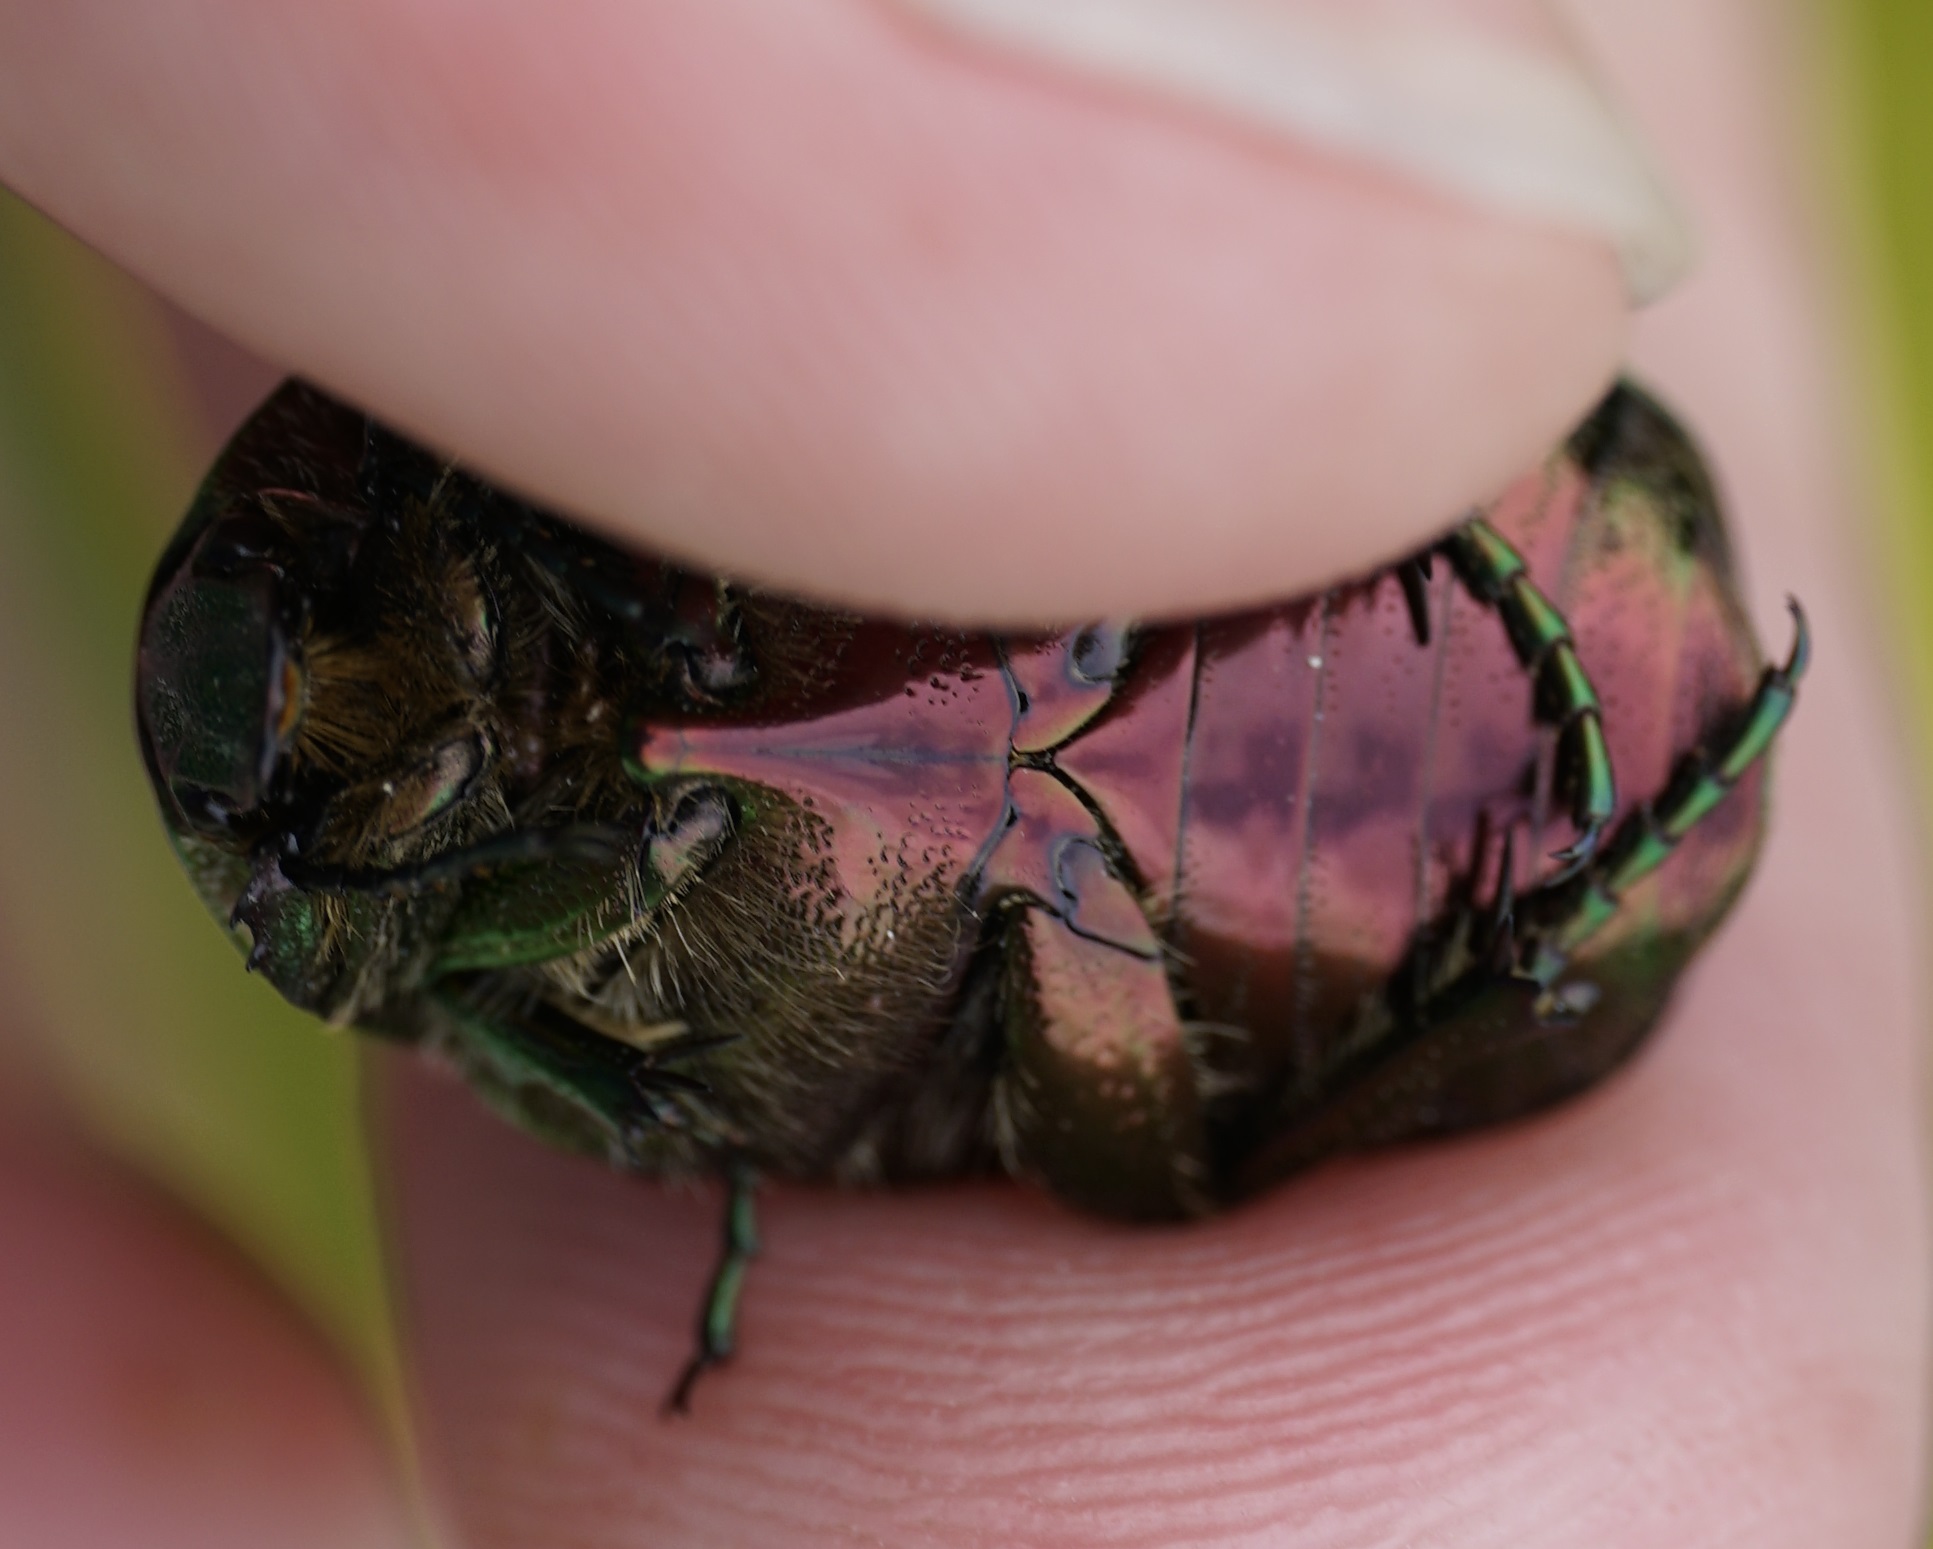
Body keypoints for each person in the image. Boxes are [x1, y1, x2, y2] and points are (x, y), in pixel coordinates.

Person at [0, 2, 1921, 1542]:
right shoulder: (462, 930)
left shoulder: (574, 454)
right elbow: (599, 1076)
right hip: (1257, 902)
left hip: (1381, 588)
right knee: (1088, 1063)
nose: (352, 694)